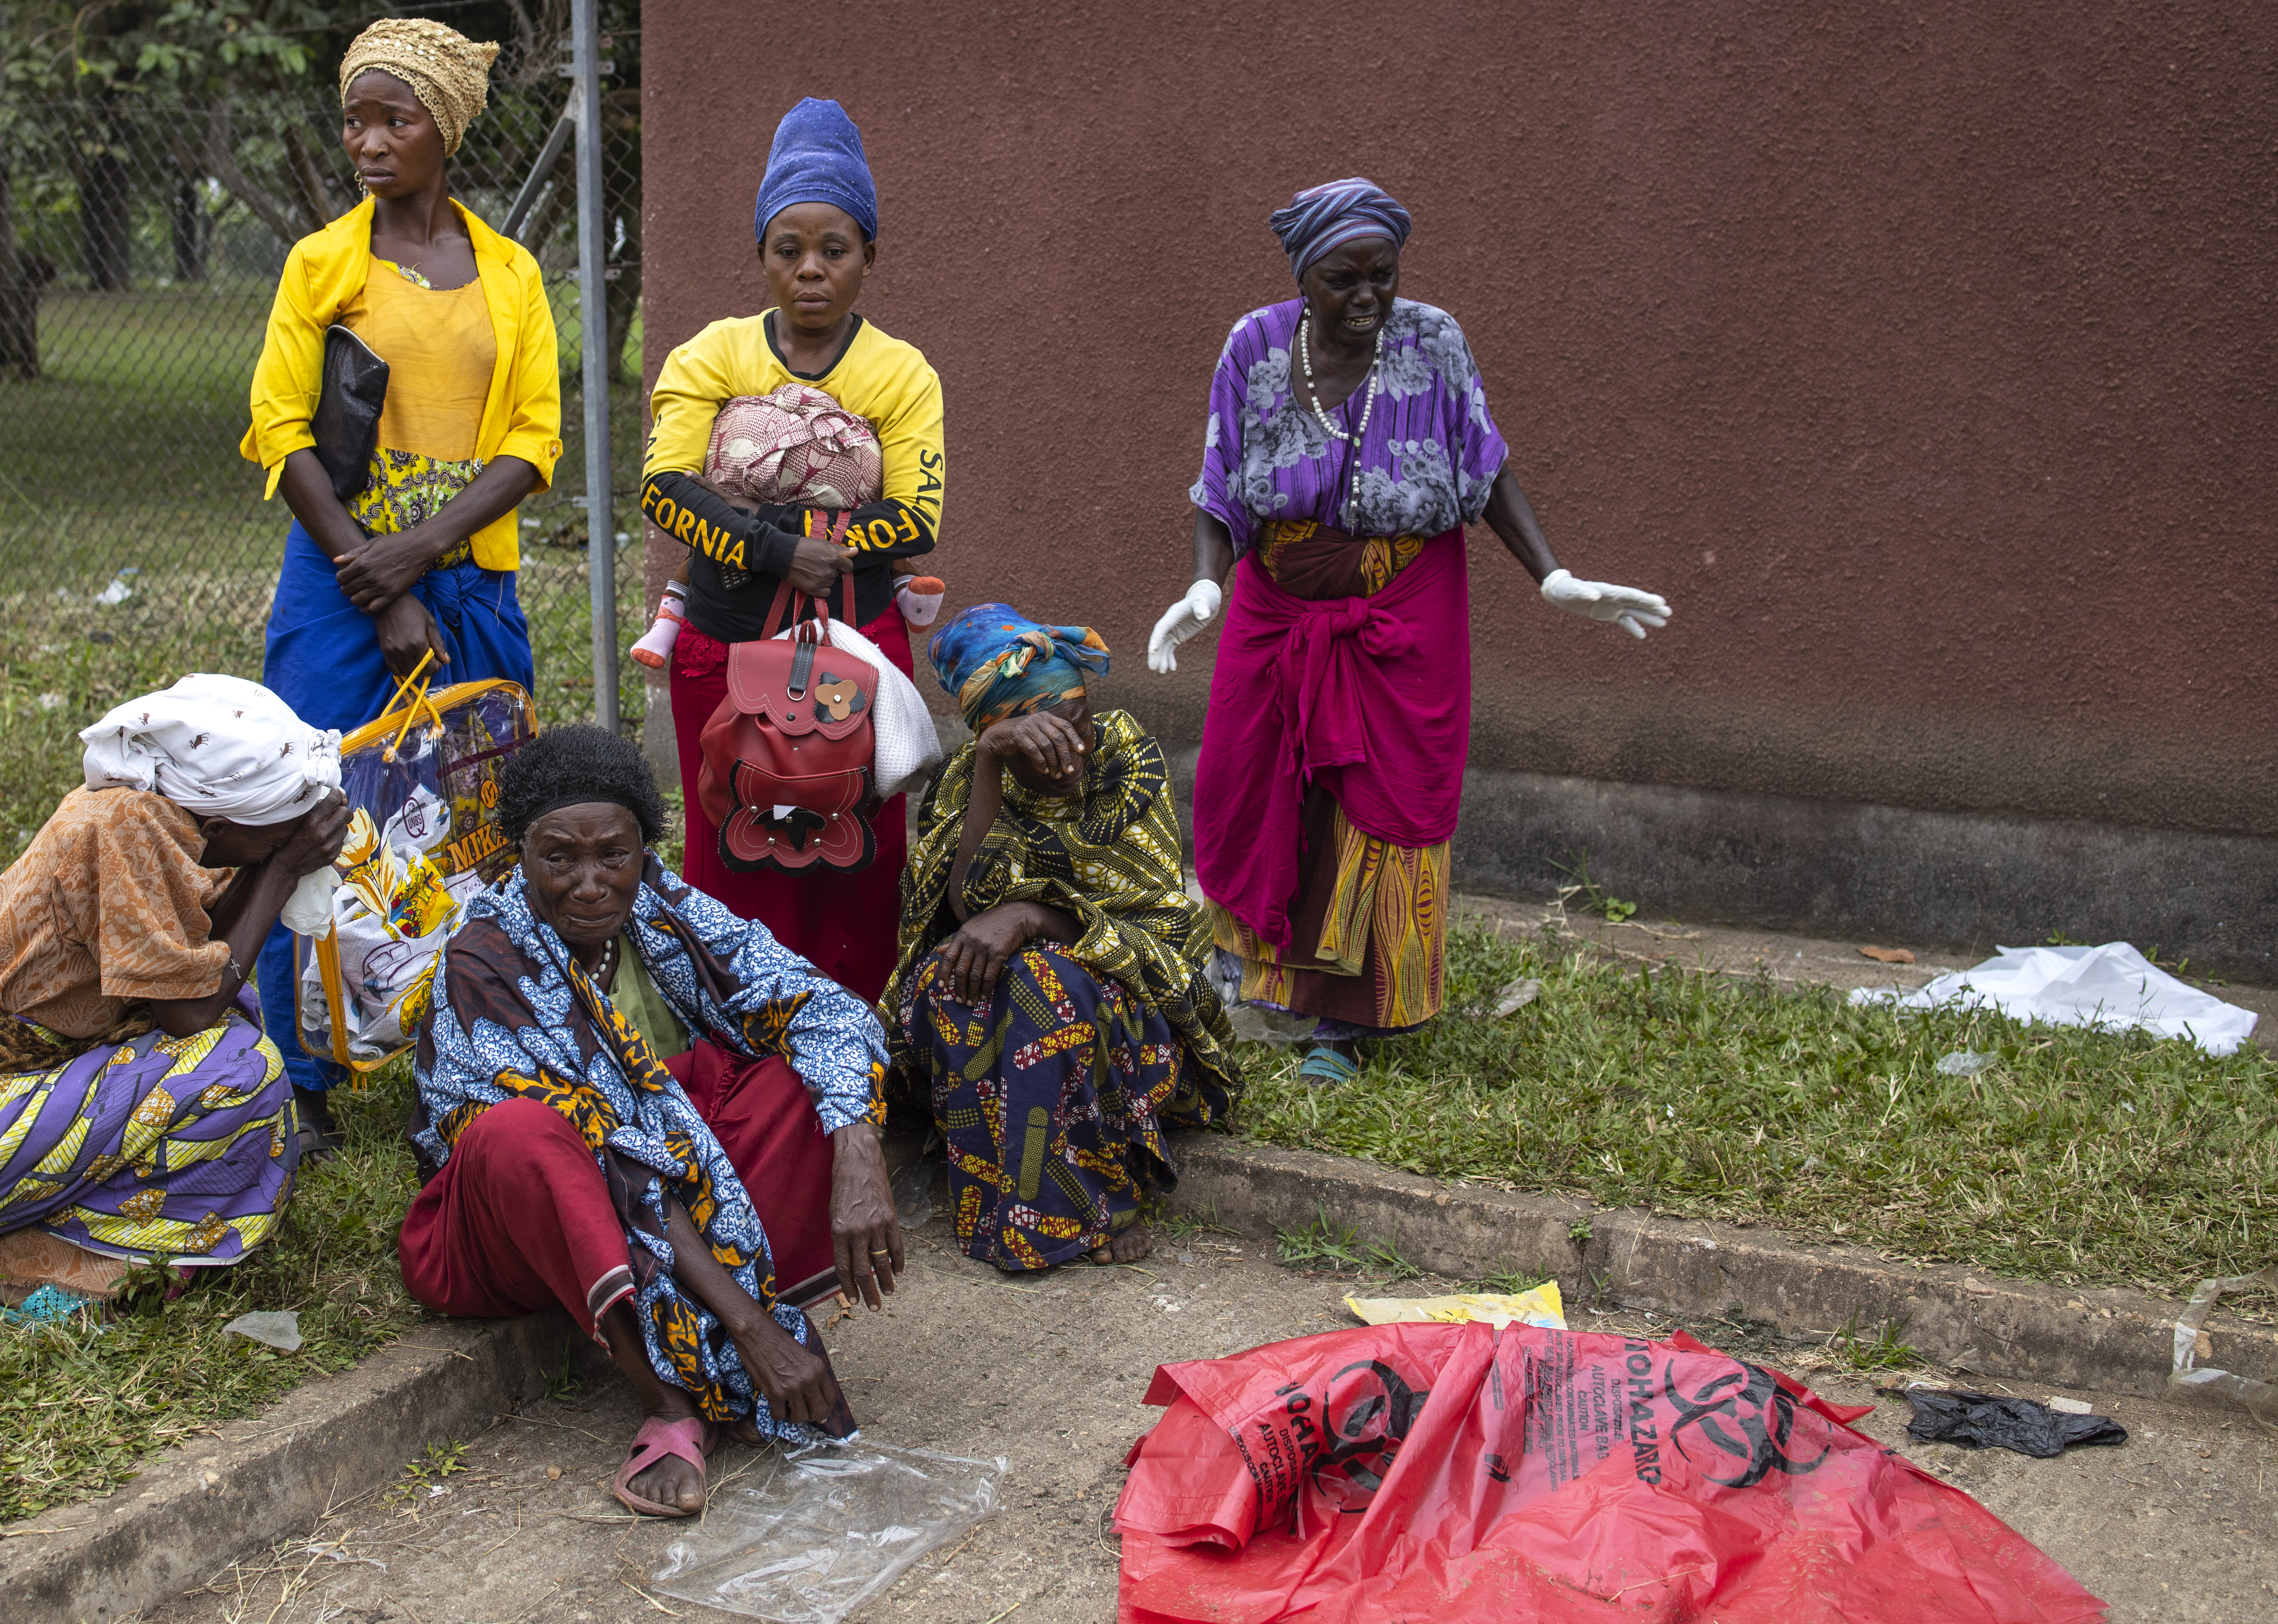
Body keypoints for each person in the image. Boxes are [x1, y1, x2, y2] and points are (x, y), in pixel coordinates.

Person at [1148, 180, 1669, 1086]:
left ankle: (1345, 1023)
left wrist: (1551, 573)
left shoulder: (1434, 340)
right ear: (1304, 278)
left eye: (1382, 277)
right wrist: (1205, 580)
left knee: (1376, 798)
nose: (1367, 298)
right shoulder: (1255, 345)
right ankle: (1256, 979)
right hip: (1278, 600)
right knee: (1251, 777)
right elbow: (1220, 479)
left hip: (1405, 601)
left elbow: (1486, 460)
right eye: (1343, 280)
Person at [398, 725, 900, 1517]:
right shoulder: (486, 962)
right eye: (559, 859)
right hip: (524, 1229)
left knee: (803, 1082)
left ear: (644, 849)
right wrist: (751, 1328)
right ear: (520, 857)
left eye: (615, 856)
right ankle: (670, 1402)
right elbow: (611, 1163)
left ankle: (733, 1306)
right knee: (524, 1134)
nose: (592, 884)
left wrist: (860, 1150)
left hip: (650, 1181)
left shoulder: (663, 909)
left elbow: (819, 1005)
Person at [239, 17, 562, 1160]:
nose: (369, 142)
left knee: (468, 815)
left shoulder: (511, 276)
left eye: (395, 120)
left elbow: (532, 442)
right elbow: (281, 430)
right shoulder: (323, 267)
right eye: (355, 121)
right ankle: (302, 1072)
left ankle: (463, 1049)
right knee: (317, 802)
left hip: (466, 574)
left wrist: (417, 556)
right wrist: (374, 582)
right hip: (337, 575)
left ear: (446, 132)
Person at [0, 674, 342, 1315]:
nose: (286, 845)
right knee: (238, 1069)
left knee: (238, 1026)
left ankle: (70, 1214)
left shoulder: (153, 814)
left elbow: (204, 971)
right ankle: (49, 1255)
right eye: (277, 832)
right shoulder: (126, 829)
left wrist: (272, 858)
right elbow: (189, 1012)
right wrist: (282, 870)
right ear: (220, 821)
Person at [640, 98, 943, 1002]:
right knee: (731, 830)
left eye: (835, 249)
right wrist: (786, 550)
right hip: (724, 648)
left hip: (857, 648)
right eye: (788, 249)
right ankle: (739, 1026)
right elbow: (665, 487)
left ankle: (854, 1029)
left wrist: (793, 533)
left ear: (869, 257)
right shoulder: (710, 355)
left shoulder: (900, 371)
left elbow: (917, 513)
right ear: (763, 254)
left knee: (860, 842)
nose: (810, 269)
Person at [887, 606, 1241, 1270]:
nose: (1068, 750)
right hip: (1011, 996)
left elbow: (1156, 929)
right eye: (1034, 736)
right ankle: (1006, 1206)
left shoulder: (1123, 752)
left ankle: (1099, 1197)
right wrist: (992, 767)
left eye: (1076, 720)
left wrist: (1033, 916)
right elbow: (961, 910)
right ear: (992, 732)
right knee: (954, 978)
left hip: (1138, 1005)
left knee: (1042, 982)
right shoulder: (967, 777)